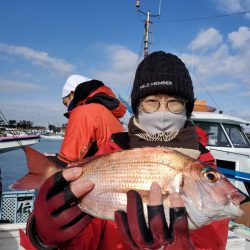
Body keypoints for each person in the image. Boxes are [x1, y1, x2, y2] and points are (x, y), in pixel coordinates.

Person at [21, 52, 228, 249]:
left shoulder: (205, 168)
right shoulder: (110, 154)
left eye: (174, 102)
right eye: (151, 102)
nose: (163, 111)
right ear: (138, 107)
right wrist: (45, 238)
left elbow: (212, 242)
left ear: (187, 109)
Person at [56, 74, 127, 163]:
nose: (66, 107)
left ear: (72, 94)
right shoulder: (108, 113)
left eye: (65, 102)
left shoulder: (84, 112)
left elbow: (68, 160)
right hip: (114, 169)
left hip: (98, 173)